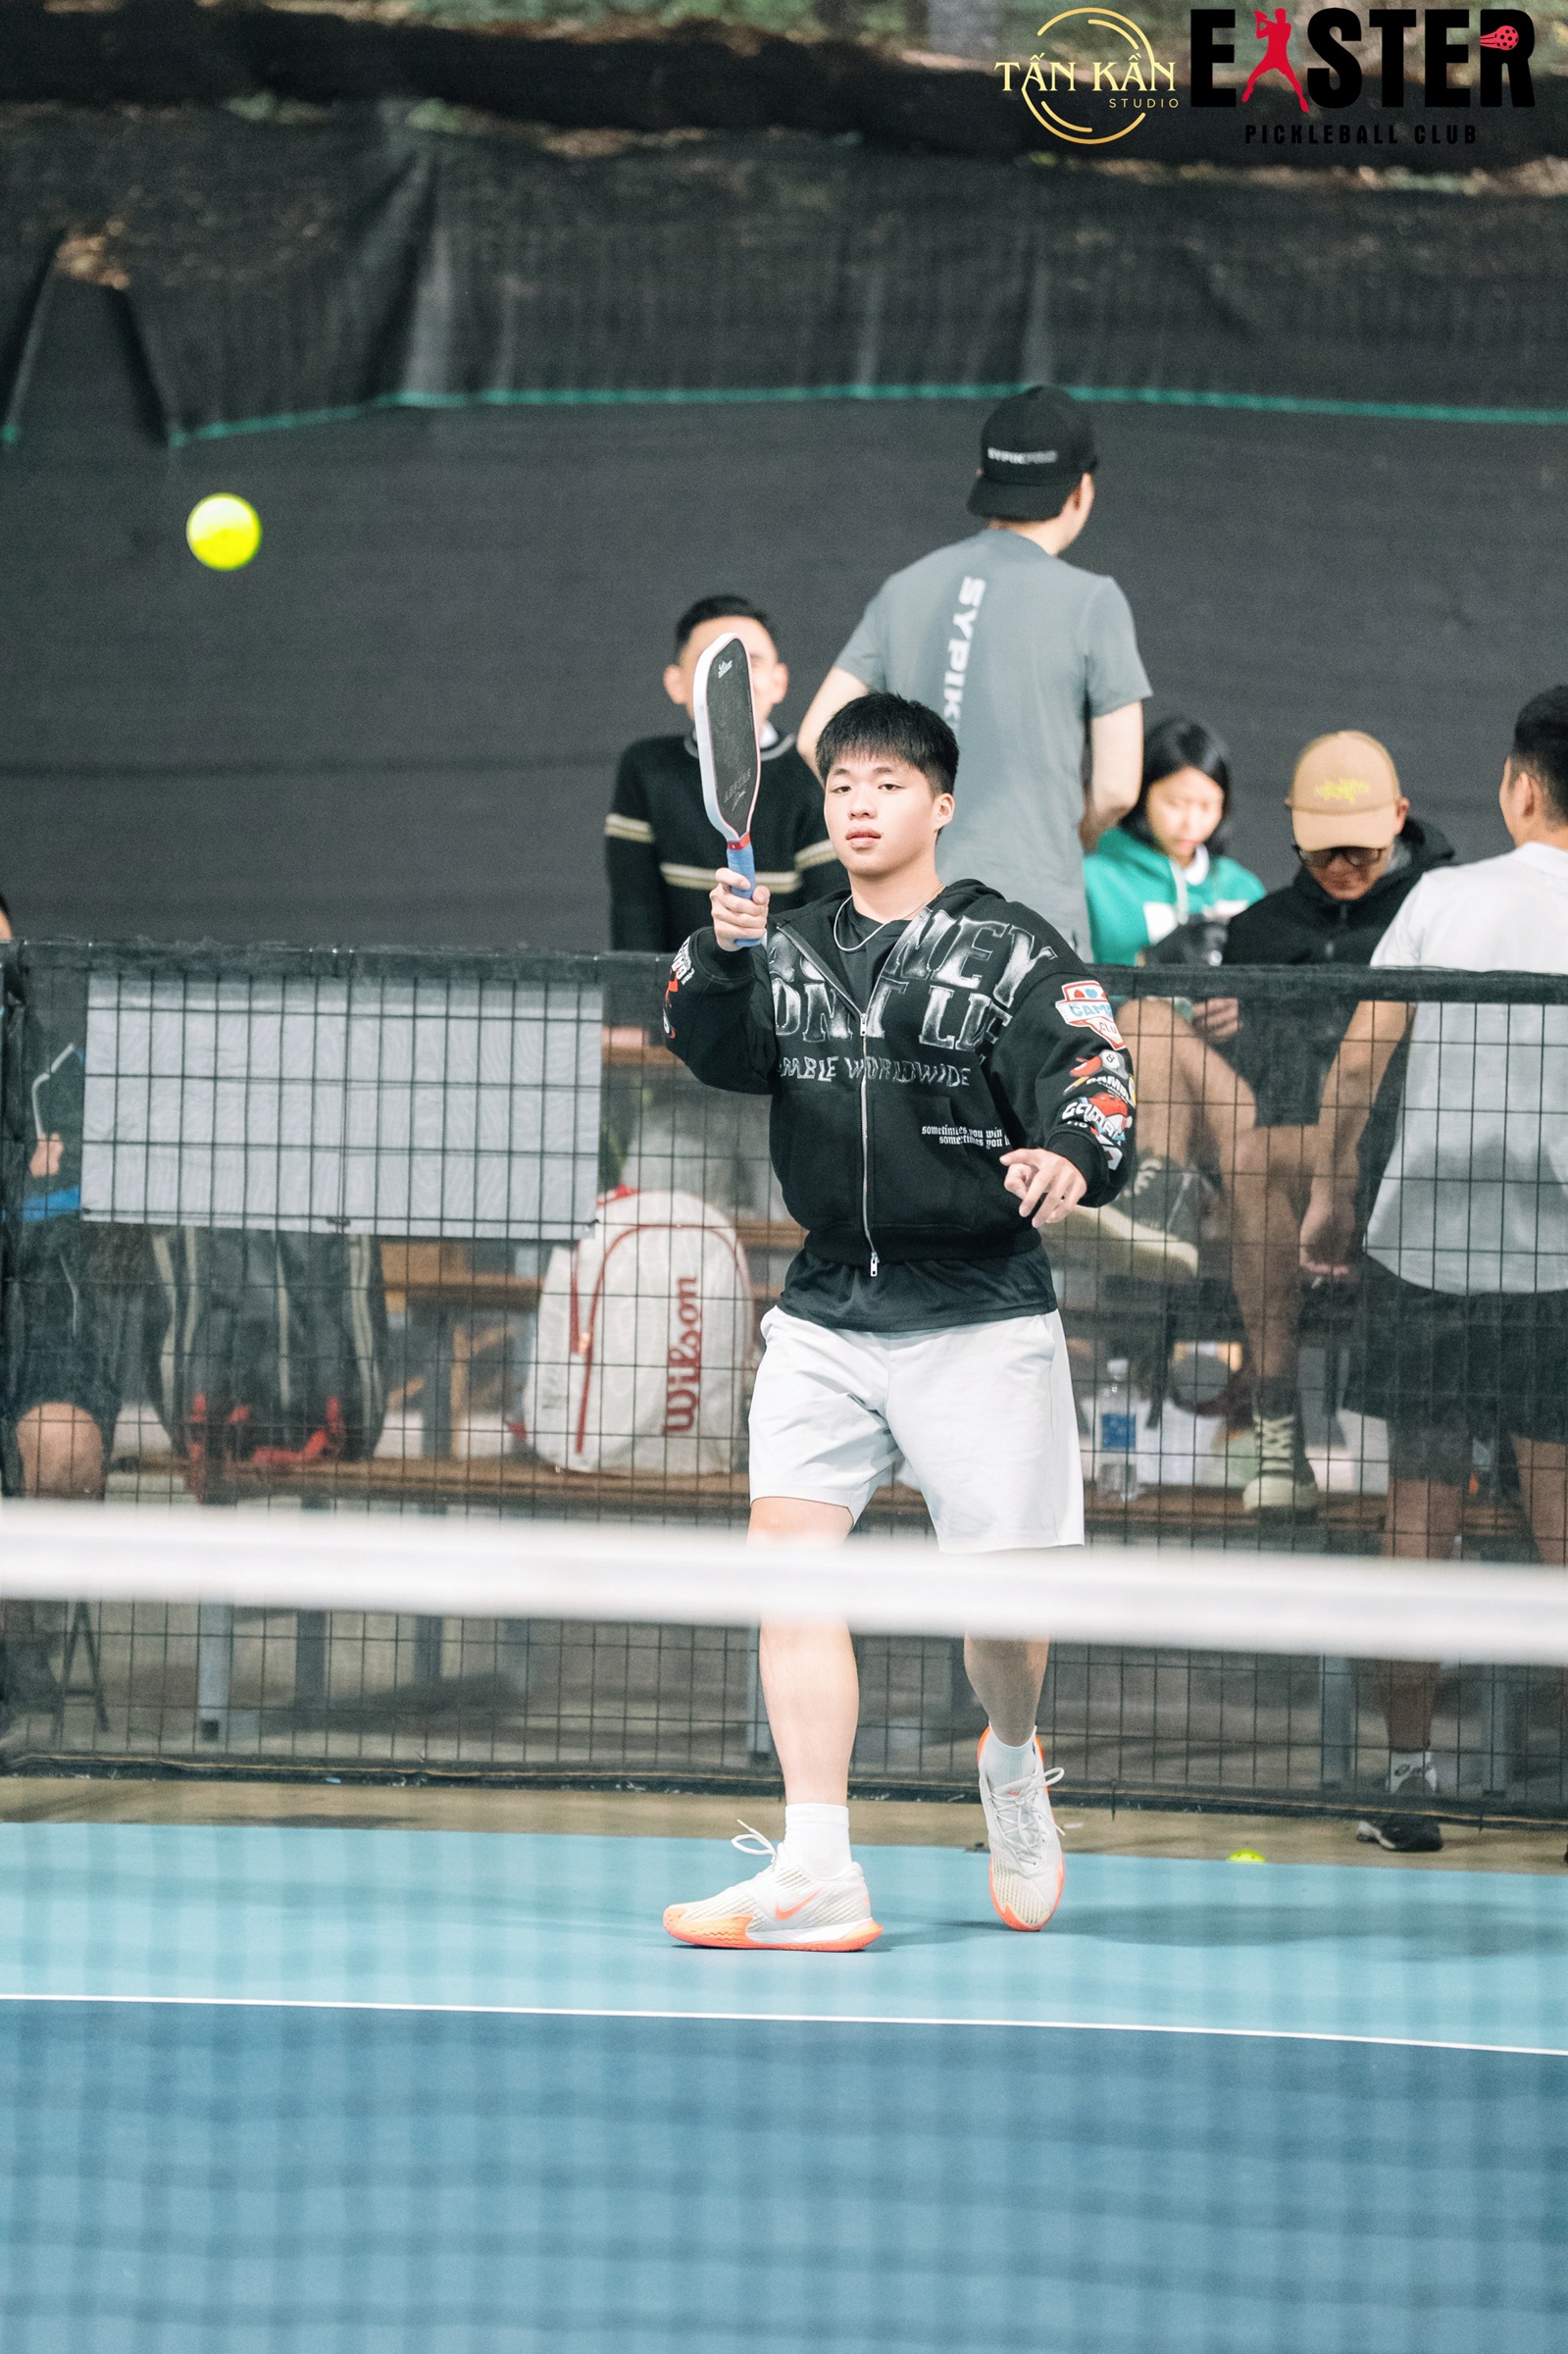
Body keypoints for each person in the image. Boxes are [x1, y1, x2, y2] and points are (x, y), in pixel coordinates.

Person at [658, 691, 1135, 1949]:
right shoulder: (784, 946)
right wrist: (721, 954)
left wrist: (1073, 1153)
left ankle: (1013, 1758)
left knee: (1006, 1626)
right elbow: (708, 1043)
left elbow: (1095, 1070)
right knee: (788, 1564)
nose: (859, 804)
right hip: (828, 1308)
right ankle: (819, 1866)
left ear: (941, 804)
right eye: (842, 785)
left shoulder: (1010, 949)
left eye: (888, 784)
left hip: (979, 1314)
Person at [1302, 686, 1568, 1853]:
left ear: (1519, 786)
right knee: (1563, 1534)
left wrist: (1330, 1195)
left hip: (1427, 1252)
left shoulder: (1442, 899)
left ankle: (1407, 1780)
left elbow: (1360, 1066)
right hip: (1561, 1265)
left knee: (1419, 1520)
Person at [797, 385, 1149, 956]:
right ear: (1083, 489)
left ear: (982, 475)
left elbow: (814, 736)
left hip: (907, 922)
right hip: (1034, 920)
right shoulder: (1094, 602)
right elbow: (1116, 787)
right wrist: (1064, 841)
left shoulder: (904, 588)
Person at [1206, 732, 1454, 1514]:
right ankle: (1277, 1424)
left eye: (1361, 851)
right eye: (1321, 851)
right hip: (1287, 1143)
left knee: (1255, 1160)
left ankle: (1289, 1427)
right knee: (1249, 1155)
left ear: (1399, 820)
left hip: (1411, 1144)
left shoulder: (1443, 910)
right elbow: (1246, 1080)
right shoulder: (1257, 930)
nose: (1342, 866)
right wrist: (1226, 1030)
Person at [604, 594, 842, 952]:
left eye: (752, 662)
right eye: (713, 663)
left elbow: (829, 919)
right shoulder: (646, 768)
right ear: (676, 683)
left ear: (779, 681)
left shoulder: (814, 771)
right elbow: (634, 915)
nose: (735, 677)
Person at [1084, 716, 1265, 967]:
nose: (1191, 822)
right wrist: (1147, 962)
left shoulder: (1242, 888)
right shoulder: (1096, 883)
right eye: (1175, 804)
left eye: (1207, 806)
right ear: (1142, 794)